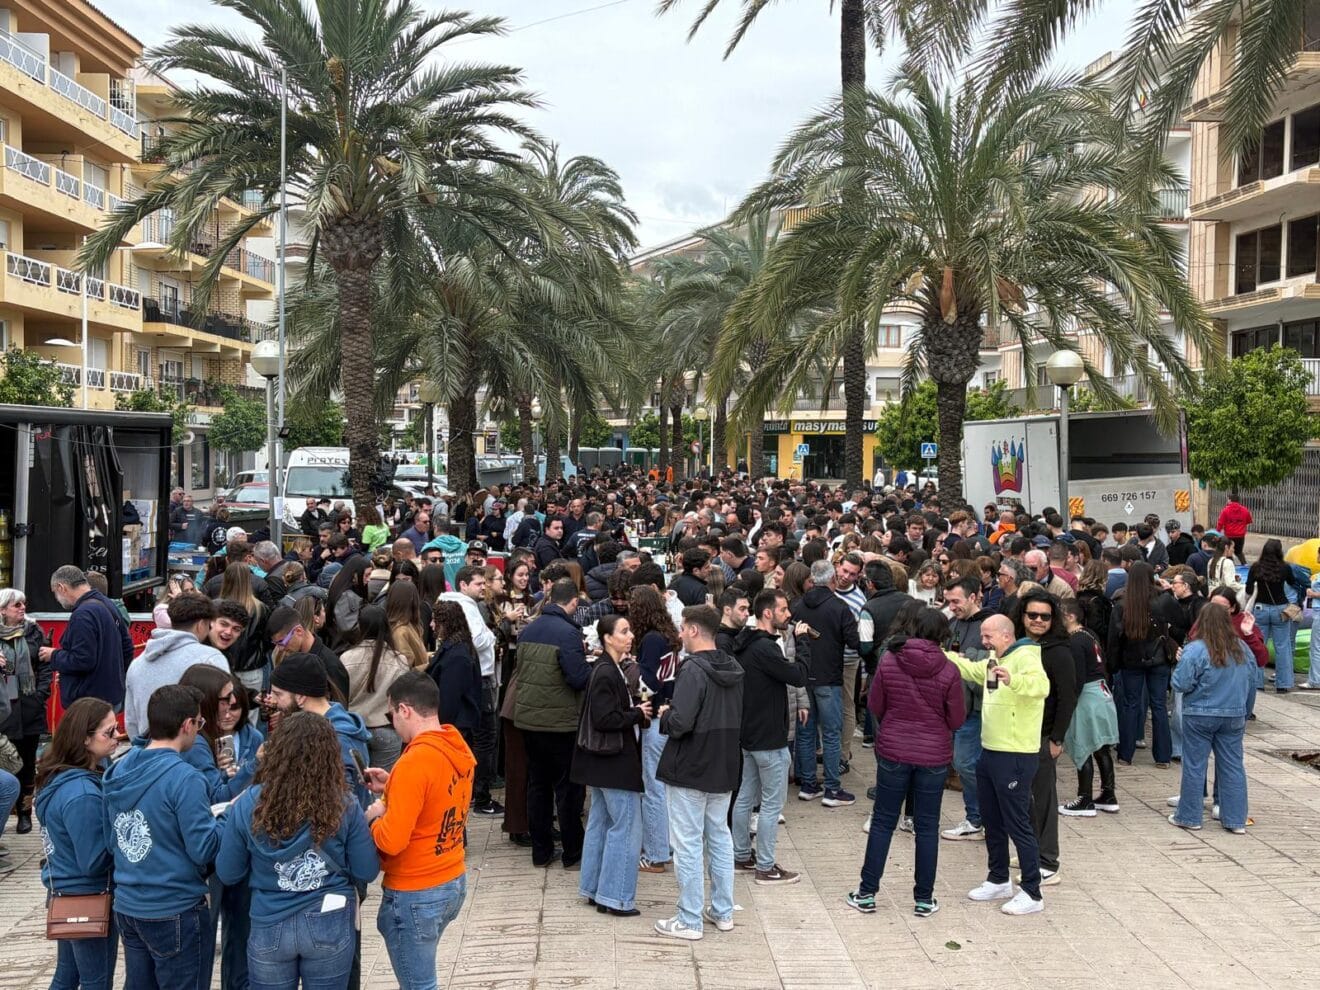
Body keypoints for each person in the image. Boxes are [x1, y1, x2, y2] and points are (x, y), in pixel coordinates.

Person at [216, 712, 380, 990]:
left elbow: (228, 872)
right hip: (329, 917)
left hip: (269, 922)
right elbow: (367, 870)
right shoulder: (345, 804)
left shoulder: (249, 805)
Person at [102, 683, 222, 989]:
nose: (199, 729)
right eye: (199, 722)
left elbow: (112, 840)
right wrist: (226, 819)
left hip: (128, 904)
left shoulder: (119, 770)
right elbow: (203, 849)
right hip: (175, 906)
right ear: (186, 725)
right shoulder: (185, 778)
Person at [847, 608, 964, 917]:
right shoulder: (950, 669)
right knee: (927, 826)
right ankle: (924, 898)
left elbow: (875, 705)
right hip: (933, 755)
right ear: (943, 634)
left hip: (894, 750)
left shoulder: (890, 660)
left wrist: (896, 724)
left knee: (883, 821)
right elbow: (956, 718)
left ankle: (866, 892)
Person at [364, 673, 474, 990]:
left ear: (405, 710)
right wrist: (393, 785)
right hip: (452, 879)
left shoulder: (414, 761)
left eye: (390, 715)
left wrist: (373, 818)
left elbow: (392, 840)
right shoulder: (455, 745)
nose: (392, 722)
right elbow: (436, 797)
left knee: (419, 985)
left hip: (416, 890)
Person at [945, 614, 1050, 916]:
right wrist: (940, 654)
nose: (983, 641)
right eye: (983, 635)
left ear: (1006, 635)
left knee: (1018, 822)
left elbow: (1041, 686)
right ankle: (998, 878)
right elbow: (971, 668)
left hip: (1015, 753)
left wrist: (1013, 679)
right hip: (990, 750)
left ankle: (1032, 891)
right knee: (991, 819)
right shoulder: (993, 658)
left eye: (989, 636)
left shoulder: (1027, 655)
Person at [653, 605, 745, 941]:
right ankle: (722, 911)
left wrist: (665, 714)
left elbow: (680, 724)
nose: (679, 634)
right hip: (723, 763)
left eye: (682, 628)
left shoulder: (692, 670)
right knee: (719, 836)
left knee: (688, 843)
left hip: (691, 765)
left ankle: (689, 919)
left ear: (693, 630)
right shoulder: (734, 667)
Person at [34, 697, 120, 990]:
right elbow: (94, 860)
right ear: (85, 739)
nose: (117, 737)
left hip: (66, 893)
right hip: (89, 897)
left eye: (117, 728)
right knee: (96, 981)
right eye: (108, 733)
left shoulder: (60, 777)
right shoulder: (82, 793)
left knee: (67, 976)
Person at [571, 614, 651, 916]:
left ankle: (593, 888)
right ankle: (615, 896)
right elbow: (604, 719)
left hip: (601, 763)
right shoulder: (606, 672)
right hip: (614, 762)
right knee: (626, 827)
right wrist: (636, 713)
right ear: (607, 638)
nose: (629, 636)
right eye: (623, 631)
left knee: (601, 824)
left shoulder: (607, 668)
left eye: (630, 630)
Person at [731, 590, 809, 885]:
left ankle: (741, 856)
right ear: (767, 613)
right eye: (784, 609)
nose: (789, 615)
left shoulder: (746, 643)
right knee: (771, 806)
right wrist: (802, 645)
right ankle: (765, 866)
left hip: (749, 734)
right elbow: (798, 676)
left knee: (745, 798)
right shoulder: (766, 648)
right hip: (770, 739)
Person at [513, 578, 590, 867]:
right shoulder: (568, 633)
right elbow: (577, 677)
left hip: (529, 720)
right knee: (568, 790)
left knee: (538, 786)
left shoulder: (529, 629)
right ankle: (572, 852)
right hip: (560, 723)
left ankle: (541, 851)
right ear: (572, 603)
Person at [1169, 604, 1257, 833]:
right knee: (1232, 765)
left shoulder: (1196, 649)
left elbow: (1180, 683)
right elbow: (1252, 684)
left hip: (1199, 713)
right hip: (1234, 713)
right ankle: (1236, 820)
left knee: (1195, 765)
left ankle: (1189, 816)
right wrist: (1245, 711)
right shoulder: (1242, 650)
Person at [1012, 590, 1075, 887]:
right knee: (1024, 797)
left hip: (1043, 734)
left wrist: (1057, 738)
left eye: (1045, 616)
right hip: (1018, 732)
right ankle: (1031, 849)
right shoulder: (1018, 647)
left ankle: (1048, 860)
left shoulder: (1060, 651)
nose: (1038, 620)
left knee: (1044, 799)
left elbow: (1067, 698)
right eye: (1032, 615)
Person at [790, 559, 859, 806]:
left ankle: (809, 784)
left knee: (806, 734)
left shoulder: (797, 606)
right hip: (829, 678)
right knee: (831, 734)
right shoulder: (839, 607)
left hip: (803, 677)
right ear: (832, 580)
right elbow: (854, 641)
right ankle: (832, 788)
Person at [268, 652, 372, 809]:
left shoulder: (336, 741)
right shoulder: (321, 728)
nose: (272, 700)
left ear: (301, 698)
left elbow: (341, 807)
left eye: (278, 694)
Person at [438, 566, 501, 816]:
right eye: (478, 584)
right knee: (485, 737)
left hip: (477, 675)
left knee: (473, 737)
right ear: (463, 585)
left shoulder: (453, 603)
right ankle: (482, 797)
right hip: (481, 676)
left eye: (483, 583)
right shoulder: (465, 605)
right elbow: (477, 639)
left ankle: (474, 792)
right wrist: (491, 636)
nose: (483, 587)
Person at [124, 595, 231, 740]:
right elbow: (225, 711)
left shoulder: (137, 663)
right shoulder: (211, 658)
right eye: (209, 625)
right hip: (198, 750)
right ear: (201, 625)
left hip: (150, 750)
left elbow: (131, 722)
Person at [629, 584, 680, 875]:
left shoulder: (650, 639)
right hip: (669, 713)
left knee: (652, 788)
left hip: (655, 717)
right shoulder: (669, 635)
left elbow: (647, 682)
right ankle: (666, 846)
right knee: (664, 787)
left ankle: (656, 853)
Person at [1107, 562, 1179, 767]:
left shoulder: (1122, 604)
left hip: (1131, 659)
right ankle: (1163, 756)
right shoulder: (1163, 600)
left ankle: (1125, 754)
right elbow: (1179, 623)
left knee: (1131, 704)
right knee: (1158, 706)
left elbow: (1114, 638)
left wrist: (1113, 665)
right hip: (1159, 659)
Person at [1057, 599, 1119, 817]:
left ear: (1071, 616)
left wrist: (1067, 703)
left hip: (1087, 698)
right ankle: (1108, 795)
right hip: (1101, 693)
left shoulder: (1075, 641)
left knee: (1082, 746)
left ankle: (1084, 799)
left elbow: (1078, 678)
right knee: (1100, 747)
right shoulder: (1089, 634)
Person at [40, 565, 134, 709]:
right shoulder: (107, 603)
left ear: (61, 587)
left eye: (55, 593)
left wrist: (53, 655)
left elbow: (82, 660)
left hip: (88, 705)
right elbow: (127, 647)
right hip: (110, 698)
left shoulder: (83, 614)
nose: (57, 599)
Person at [942, 577, 991, 841]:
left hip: (978, 709)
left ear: (974, 597)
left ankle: (979, 817)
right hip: (955, 706)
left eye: (956, 601)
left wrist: (966, 662)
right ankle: (978, 818)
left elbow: (990, 667)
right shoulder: (952, 624)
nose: (951, 607)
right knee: (965, 763)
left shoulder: (990, 625)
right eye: (949, 602)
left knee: (966, 762)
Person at [0, 587, 50, 836]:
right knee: (6, 761)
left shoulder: (34, 632)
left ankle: (24, 813)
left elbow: (45, 668)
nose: (22, 609)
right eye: (16, 605)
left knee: (27, 762)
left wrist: (40, 695)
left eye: (23, 604)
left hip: (29, 706)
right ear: (2, 610)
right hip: (3, 709)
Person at [341, 604, 412, 771]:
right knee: (383, 786)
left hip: (355, 728)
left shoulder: (346, 658)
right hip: (386, 729)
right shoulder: (399, 660)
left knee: (357, 784)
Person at [1246, 538, 1306, 693]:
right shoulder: (1284, 568)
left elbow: (1248, 589)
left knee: (1259, 645)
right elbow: (1294, 583)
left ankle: (1257, 682)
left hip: (1260, 609)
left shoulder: (1256, 567)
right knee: (1283, 646)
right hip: (1281, 609)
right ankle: (1283, 684)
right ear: (1280, 551)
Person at [266, 606, 351, 703]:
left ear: (298, 631)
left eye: (282, 642)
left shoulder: (331, 665)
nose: (281, 648)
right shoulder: (288, 657)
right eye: (276, 644)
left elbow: (339, 709)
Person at [427, 600, 482, 736]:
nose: (431, 625)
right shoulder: (457, 647)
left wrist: (440, 730)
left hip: (454, 728)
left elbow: (449, 699)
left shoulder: (457, 656)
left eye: (435, 620)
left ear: (446, 624)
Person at [1216, 496, 1251, 565]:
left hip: (1229, 536)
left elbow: (1220, 523)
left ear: (1230, 500)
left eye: (1228, 500)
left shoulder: (1226, 510)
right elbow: (1248, 520)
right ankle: (1245, 565)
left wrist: (1217, 532)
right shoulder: (1245, 510)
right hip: (1240, 536)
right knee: (1239, 552)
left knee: (1228, 552)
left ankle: (1231, 566)